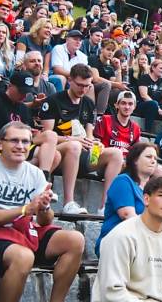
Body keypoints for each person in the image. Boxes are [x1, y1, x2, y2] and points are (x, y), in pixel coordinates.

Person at [0, 121, 86, 302]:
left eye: (25, 141)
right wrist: (26, 209)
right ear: (1, 143)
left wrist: (43, 207)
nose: (20, 146)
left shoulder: (35, 173)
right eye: (14, 140)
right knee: (24, 257)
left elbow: (45, 220)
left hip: (25, 230)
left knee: (75, 239)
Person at [35, 63, 124, 212]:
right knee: (74, 146)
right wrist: (74, 140)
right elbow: (47, 137)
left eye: (87, 86)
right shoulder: (53, 101)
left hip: (82, 152)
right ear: (70, 80)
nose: (83, 90)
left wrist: (95, 143)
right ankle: (68, 203)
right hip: (59, 153)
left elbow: (89, 134)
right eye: (80, 85)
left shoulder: (88, 103)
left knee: (116, 153)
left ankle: (105, 207)